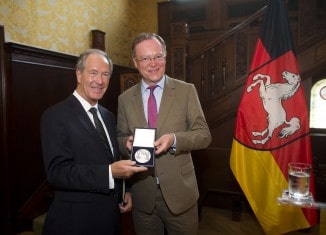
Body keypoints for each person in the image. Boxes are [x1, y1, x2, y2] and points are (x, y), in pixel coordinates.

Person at [40, 48, 147, 235]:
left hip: (110, 218)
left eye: (105, 74)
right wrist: (109, 173)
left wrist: (125, 190)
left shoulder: (107, 116)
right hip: (76, 222)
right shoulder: (55, 116)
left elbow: (112, 159)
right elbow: (57, 173)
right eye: (93, 73)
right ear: (79, 74)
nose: (99, 80)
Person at [116, 33, 212, 235]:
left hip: (181, 196)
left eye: (158, 56)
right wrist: (126, 143)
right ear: (135, 62)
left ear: (166, 57)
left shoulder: (186, 91)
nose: (153, 63)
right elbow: (119, 137)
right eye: (145, 58)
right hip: (143, 198)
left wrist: (174, 139)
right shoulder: (124, 99)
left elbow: (204, 134)